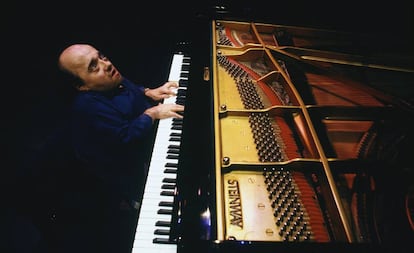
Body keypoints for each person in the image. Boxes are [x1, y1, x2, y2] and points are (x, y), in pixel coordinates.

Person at [53, 43, 185, 253]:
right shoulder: (89, 107)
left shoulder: (110, 81)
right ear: (82, 86)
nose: (106, 64)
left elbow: (130, 89)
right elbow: (125, 137)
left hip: (133, 143)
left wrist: (149, 92)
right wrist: (151, 114)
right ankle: (137, 205)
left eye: (102, 57)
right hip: (121, 169)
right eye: (93, 67)